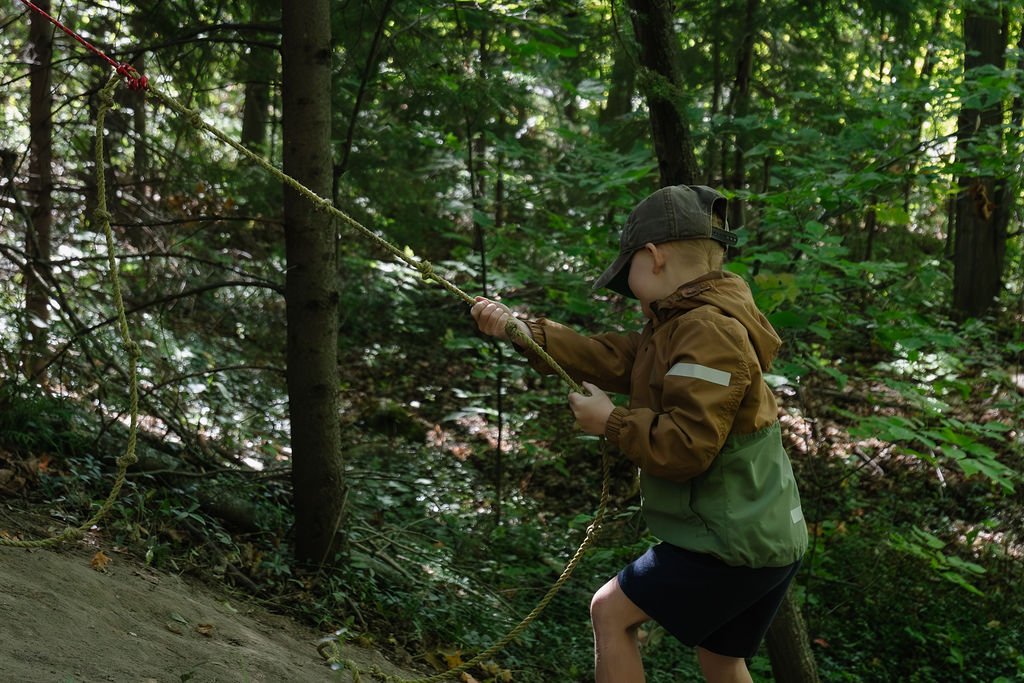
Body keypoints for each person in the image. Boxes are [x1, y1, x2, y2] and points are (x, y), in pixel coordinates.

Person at [470, 185, 808, 683]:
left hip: (733, 541)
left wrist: (611, 422)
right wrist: (526, 333)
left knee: (609, 611)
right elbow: (615, 358)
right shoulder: (681, 324)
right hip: (762, 536)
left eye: (626, 271)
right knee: (721, 656)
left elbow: (686, 447)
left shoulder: (707, 331)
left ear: (652, 257)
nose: (625, 287)